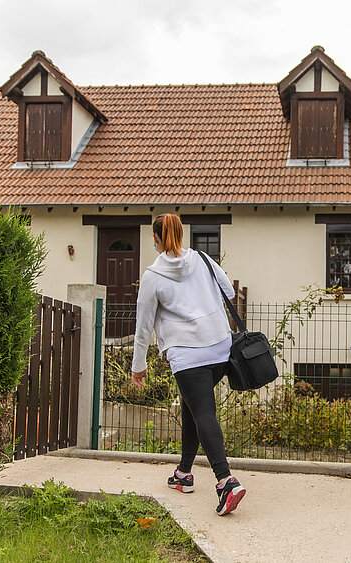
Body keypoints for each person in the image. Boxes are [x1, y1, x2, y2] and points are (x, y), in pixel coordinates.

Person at [130, 213, 246, 516]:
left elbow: (143, 326)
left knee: (203, 412)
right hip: (221, 349)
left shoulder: (153, 276)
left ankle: (225, 481)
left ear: (155, 238)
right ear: (181, 234)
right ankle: (183, 474)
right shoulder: (203, 258)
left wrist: (138, 365)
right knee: (193, 408)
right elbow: (229, 292)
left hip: (188, 355)